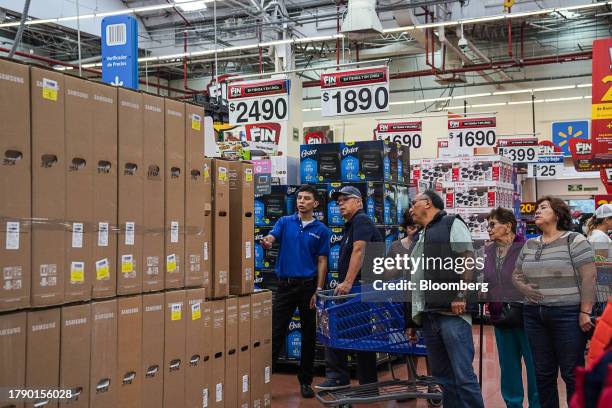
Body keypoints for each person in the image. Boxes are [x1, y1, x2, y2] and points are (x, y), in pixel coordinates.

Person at [512, 196, 597, 408]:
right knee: (542, 373)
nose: (537, 212)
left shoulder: (575, 240)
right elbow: (516, 274)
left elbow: (589, 276)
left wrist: (585, 311)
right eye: (537, 209)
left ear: (557, 215)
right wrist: (523, 288)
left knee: (571, 373)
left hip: (567, 314)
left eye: (543, 208)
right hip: (533, 315)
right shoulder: (530, 244)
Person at [407, 189, 485, 408]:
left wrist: (461, 294)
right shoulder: (422, 233)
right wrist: (413, 320)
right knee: (443, 377)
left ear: (428, 203)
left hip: (453, 314)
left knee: (463, 376)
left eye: (414, 203)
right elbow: (416, 278)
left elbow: (468, 258)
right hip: (430, 315)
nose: (411, 208)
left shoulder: (451, 223)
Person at [261, 184, 331, 399]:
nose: (301, 201)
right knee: (275, 333)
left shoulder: (322, 231)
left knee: (308, 336)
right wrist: (266, 241)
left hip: (308, 287)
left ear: (315, 203)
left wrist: (318, 290)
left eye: (306, 198)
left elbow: (322, 261)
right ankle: (263, 381)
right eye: (299, 198)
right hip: (285, 286)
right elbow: (272, 237)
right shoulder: (285, 222)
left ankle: (306, 381)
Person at [316, 186, 382, 390]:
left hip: (359, 288)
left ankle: (339, 377)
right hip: (360, 288)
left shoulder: (361, 220)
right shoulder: (352, 225)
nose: (340, 204)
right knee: (360, 335)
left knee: (335, 328)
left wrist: (348, 282)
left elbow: (360, 249)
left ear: (359, 202)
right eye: (338, 202)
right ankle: (368, 383)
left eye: (345, 200)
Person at [483, 207, 540, 408]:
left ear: (507, 226)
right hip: (501, 316)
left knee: (535, 368)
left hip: (528, 316)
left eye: (492, 224)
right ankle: (512, 405)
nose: (488, 229)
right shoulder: (488, 250)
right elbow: (487, 278)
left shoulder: (527, 247)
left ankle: (537, 405)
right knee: (508, 368)